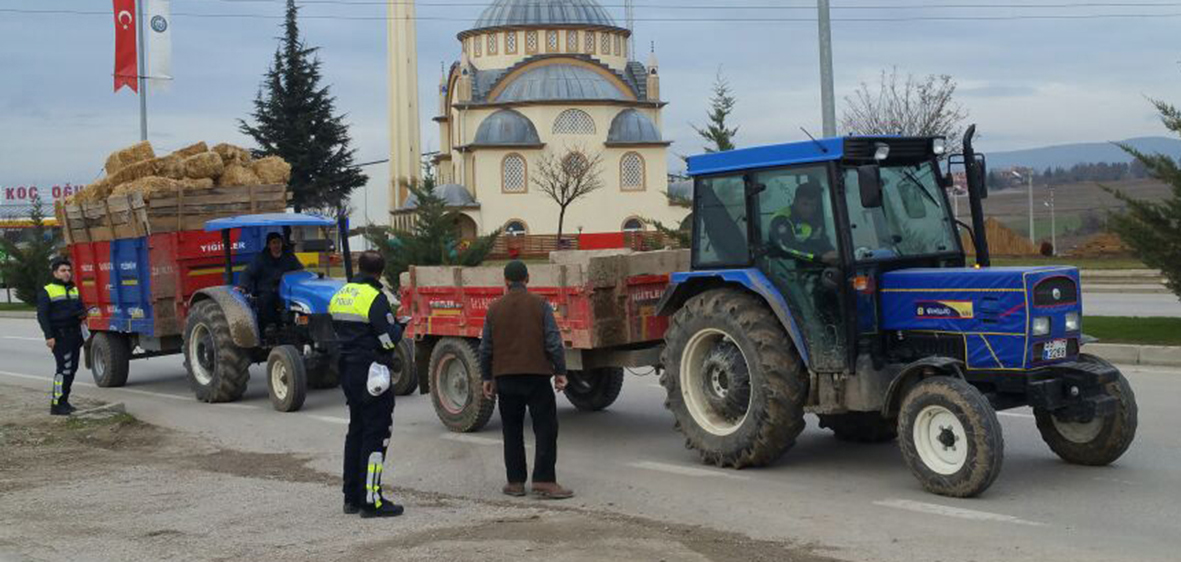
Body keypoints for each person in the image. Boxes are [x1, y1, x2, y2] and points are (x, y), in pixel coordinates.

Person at [479, 261, 574, 500]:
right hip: (537, 377)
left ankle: (515, 482)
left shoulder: (494, 309)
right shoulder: (540, 305)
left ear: (505, 281)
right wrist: (560, 371)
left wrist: (487, 377)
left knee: (511, 430)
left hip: (506, 378)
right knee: (545, 428)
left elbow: (485, 348)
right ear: (528, 279)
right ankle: (544, 480)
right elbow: (553, 341)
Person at [329, 250, 405, 518]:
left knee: (357, 432)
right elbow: (388, 340)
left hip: (347, 368)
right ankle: (372, 501)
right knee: (376, 434)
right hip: (372, 371)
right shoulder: (375, 297)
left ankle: (351, 498)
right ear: (380, 273)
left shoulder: (341, 294)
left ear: (359, 267)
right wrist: (400, 325)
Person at [37, 257, 88, 416]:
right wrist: (49, 336)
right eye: (63, 270)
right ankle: (56, 403)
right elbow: (42, 316)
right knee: (63, 370)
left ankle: (64, 401)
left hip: (74, 335)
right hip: (60, 337)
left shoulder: (74, 289)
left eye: (68, 270)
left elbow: (80, 307)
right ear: (55, 273)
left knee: (72, 369)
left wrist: (82, 313)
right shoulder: (48, 291)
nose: (67, 273)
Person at [236, 232, 303, 333]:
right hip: (266, 290)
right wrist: (242, 286)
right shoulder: (261, 259)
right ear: (269, 245)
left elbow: (300, 271)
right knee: (266, 299)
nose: (277, 245)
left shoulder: (289, 257)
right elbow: (248, 272)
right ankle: (270, 325)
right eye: (274, 243)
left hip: (285, 290)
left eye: (279, 242)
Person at [769, 181, 837, 264]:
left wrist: (832, 253)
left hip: (811, 265)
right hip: (787, 268)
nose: (809, 209)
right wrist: (819, 257)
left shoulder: (816, 218)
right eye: (805, 204)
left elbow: (822, 241)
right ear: (795, 202)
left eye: (813, 205)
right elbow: (787, 247)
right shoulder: (781, 219)